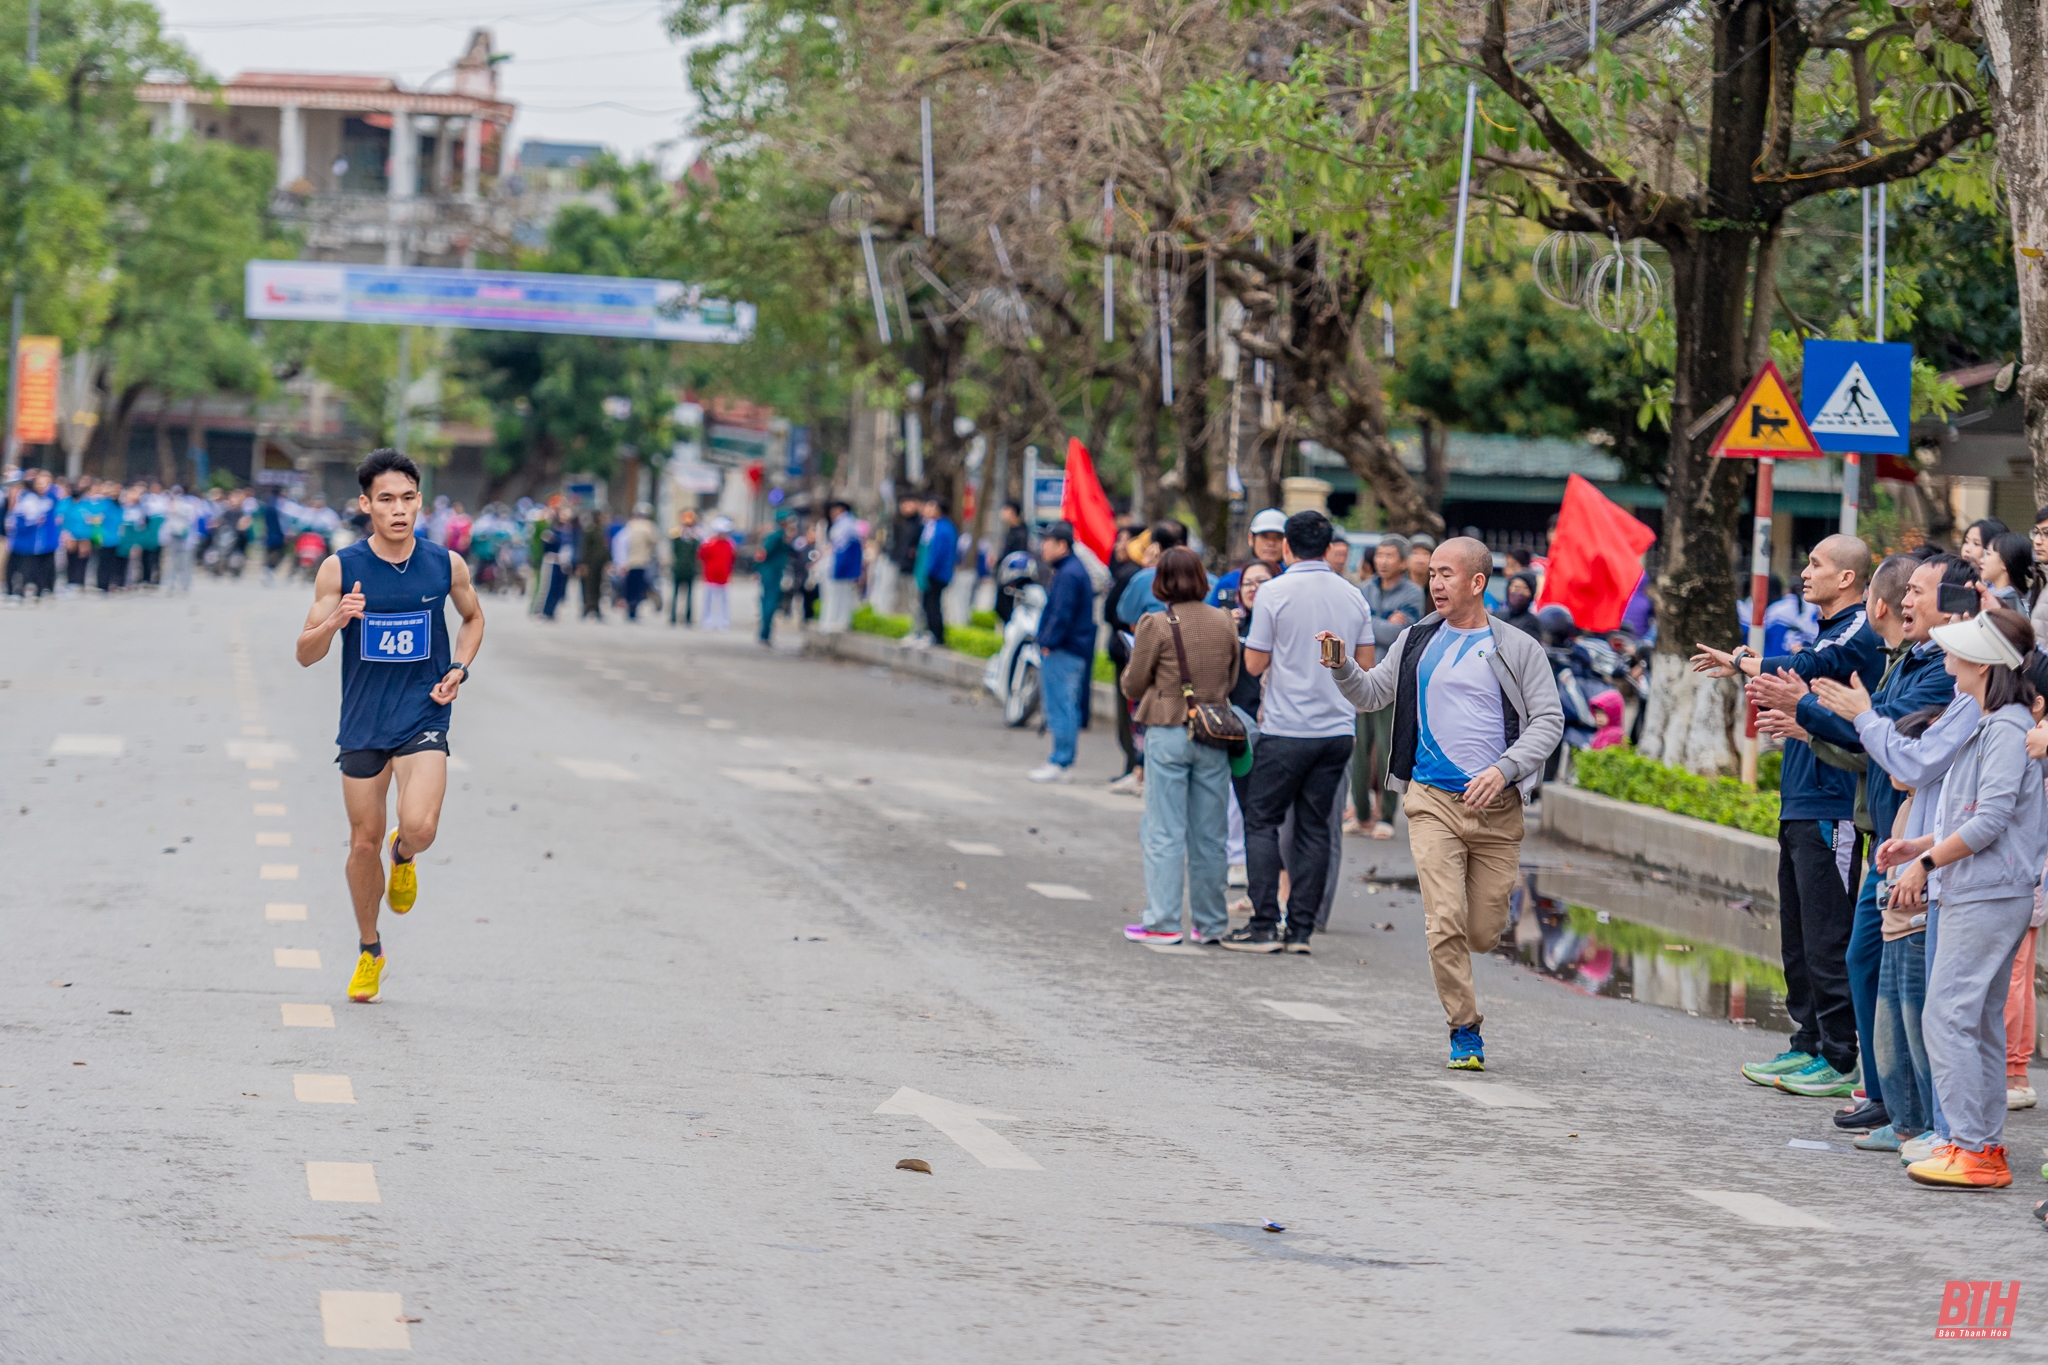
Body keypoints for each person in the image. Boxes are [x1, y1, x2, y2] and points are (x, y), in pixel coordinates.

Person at [1319, 537, 1565, 1067]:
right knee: (1444, 920)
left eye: (1446, 573)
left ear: (1478, 582)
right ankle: (1464, 1028)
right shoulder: (1414, 639)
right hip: (1431, 801)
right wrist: (1342, 666)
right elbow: (1370, 695)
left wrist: (1504, 770)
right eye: (1431, 573)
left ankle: (1469, 988)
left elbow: (1549, 721)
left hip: (1498, 811)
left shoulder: (1517, 647)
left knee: (1481, 932)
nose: (1435, 583)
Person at [1767, 553, 1958, 1136]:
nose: (1906, 603)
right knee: (1867, 965)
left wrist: (1826, 710)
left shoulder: (1945, 673)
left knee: (1918, 991)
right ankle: (1889, 1102)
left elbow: (1895, 737)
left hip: (1921, 849)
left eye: (1919, 593)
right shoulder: (1909, 661)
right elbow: (1867, 741)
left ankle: (1935, 1123)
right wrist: (1811, 721)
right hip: (1893, 843)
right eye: (1907, 593)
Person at [1694, 533, 1884, 1098]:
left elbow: (1805, 666)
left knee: (1830, 934)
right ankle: (1808, 1042)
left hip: (1834, 806)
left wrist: (1742, 661)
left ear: (1847, 577)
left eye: (1816, 564)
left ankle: (1840, 1052)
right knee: (1799, 934)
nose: (1805, 572)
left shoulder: (1855, 630)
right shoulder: (1829, 628)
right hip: (1801, 801)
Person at [294, 449, 485, 1006]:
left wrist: (459, 667)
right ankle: (369, 950)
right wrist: (335, 620)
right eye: (385, 500)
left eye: (407, 498)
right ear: (365, 505)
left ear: (419, 502)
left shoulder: (444, 564)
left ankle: (405, 858)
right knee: (361, 843)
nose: (398, 510)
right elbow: (305, 654)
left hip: (424, 712)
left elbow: (473, 618)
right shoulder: (341, 568)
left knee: (418, 826)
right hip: (363, 721)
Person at [1880, 608, 2045, 1189]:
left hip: (1986, 893)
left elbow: (1993, 821)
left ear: (1982, 662)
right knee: (1972, 1020)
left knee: (1948, 1015)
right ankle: (1981, 1147)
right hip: (1983, 889)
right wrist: (1919, 845)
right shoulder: (1995, 721)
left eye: (1955, 651)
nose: (1945, 658)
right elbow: (1974, 816)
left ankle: (1971, 1147)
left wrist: (1925, 863)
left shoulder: (2001, 728)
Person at [1223, 510, 1374, 955]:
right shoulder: (1353, 597)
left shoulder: (1273, 592)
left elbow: (1253, 664)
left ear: (1286, 547)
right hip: (1337, 731)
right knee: (1314, 827)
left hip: (1286, 728)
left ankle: (1265, 922)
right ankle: (1301, 930)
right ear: (1329, 550)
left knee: (1262, 820)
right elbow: (1364, 666)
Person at [1121, 546, 1240, 945]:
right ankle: (1210, 924)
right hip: (1215, 732)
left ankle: (1163, 921)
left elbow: (1133, 685)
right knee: (1210, 836)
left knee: (1164, 830)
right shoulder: (1225, 621)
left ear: (1161, 581)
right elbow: (1233, 677)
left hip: (1168, 731)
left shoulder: (1155, 623)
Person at [1357, 533, 1426, 839]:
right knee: (1358, 749)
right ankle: (1360, 815)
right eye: (1379, 555)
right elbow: (1363, 628)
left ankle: (1386, 816)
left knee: (1387, 748)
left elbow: (1403, 635)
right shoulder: (1364, 588)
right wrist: (1383, 621)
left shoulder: (1413, 593)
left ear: (1403, 561)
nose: (1382, 561)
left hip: (1393, 680)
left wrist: (1369, 621)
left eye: (1389, 556)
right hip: (1361, 675)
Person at [1030, 520, 1095, 783]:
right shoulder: (1070, 570)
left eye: (1046, 542)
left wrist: (1047, 641)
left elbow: (1061, 615)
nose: (1042, 547)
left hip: (1064, 650)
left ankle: (1061, 761)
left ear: (1062, 545)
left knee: (1061, 706)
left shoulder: (1069, 574)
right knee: (1063, 705)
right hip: (1069, 648)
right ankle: (1061, 759)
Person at [1207, 507, 1288, 608]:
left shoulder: (1293, 581)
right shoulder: (1228, 583)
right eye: (1264, 536)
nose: (1271, 543)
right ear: (1251, 538)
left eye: (1278, 537)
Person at [5, 469, 62, 600]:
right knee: (19, 566)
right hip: (23, 540)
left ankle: (41, 589)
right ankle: (16, 590)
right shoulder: (26, 498)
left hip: (43, 541)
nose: (42, 486)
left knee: (41, 567)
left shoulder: (49, 499)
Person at [913, 494, 957, 648]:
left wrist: (929, 570)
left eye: (932, 507)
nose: (927, 509)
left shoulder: (944, 528)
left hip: (937, 574)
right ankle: (929, 632)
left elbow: (938, 553)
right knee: (927, 603)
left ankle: (937, 636)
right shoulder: (930, 526)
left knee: (933, 604)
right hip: (930, 573)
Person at [821, 500, 862, 632]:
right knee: (841, 594)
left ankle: (835, 621)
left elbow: (841, 548)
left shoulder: (845, 524)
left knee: (837, 595)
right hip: (843, 565)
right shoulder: (848, 523)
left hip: (842, 565)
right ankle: (838, 621)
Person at [754, 510, 794, 645]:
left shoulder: (783, 536)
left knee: (770, 601)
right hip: (770, 573)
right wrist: (758, 570)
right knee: (769, 602)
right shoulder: (775, 537)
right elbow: (762, 554)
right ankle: (765, 633)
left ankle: (765, 633)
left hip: (776, 573)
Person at [620, 503, 660, 620]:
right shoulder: (649, 527)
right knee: (639, 586)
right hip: (642, 561)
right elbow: (654, 542)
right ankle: (634, 605)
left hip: (630, 561)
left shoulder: (630, 525)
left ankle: (630, 606)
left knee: (630, 586)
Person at [995, 501, 1031, 624]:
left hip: (1013, 578)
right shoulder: (1011, 530)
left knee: (1007, 609)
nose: (1002, 513)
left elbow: (1019, 557)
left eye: (1005, 510)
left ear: (1013, 512)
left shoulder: (1021, 533)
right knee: (1000, 607)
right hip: (1005, 576)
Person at [1980, 531, 2032, 615]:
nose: (1981, 560)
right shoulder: (2003, 599)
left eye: (1988, 554)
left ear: (2005, 563)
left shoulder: (2007, 607)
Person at [699, 517, 736, 631]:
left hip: (723, 577)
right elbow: (702, 556)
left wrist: (730, 574)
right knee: (708, 600)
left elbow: (732, 560)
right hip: (710, 576)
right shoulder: (709, 543)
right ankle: (707, 620)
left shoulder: (730, 544)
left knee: (724, 601)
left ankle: (723, 621)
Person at [669, 508, 700, 626]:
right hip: (678, 568)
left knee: (690, 595)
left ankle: (688, 617)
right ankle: (673, 616)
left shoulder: (695, 538)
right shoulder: (676, 535)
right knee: (675, 594)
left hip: (690, 569)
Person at [576, 511, 608, 620]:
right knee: (588, 586)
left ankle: (596, 607)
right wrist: (582, 564)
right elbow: (584, 548)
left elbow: (605, 548)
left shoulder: (602, 530)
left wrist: (608, 561)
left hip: (599, 563)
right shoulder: (590, 531)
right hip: (590, 563)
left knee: (598, 586)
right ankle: (588, 606)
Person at [1501, 571, 1541, 638]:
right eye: (1515, 587)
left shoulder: (1532, 623)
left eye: (1524, 588)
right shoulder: (1497, 617)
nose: (1518, 591)